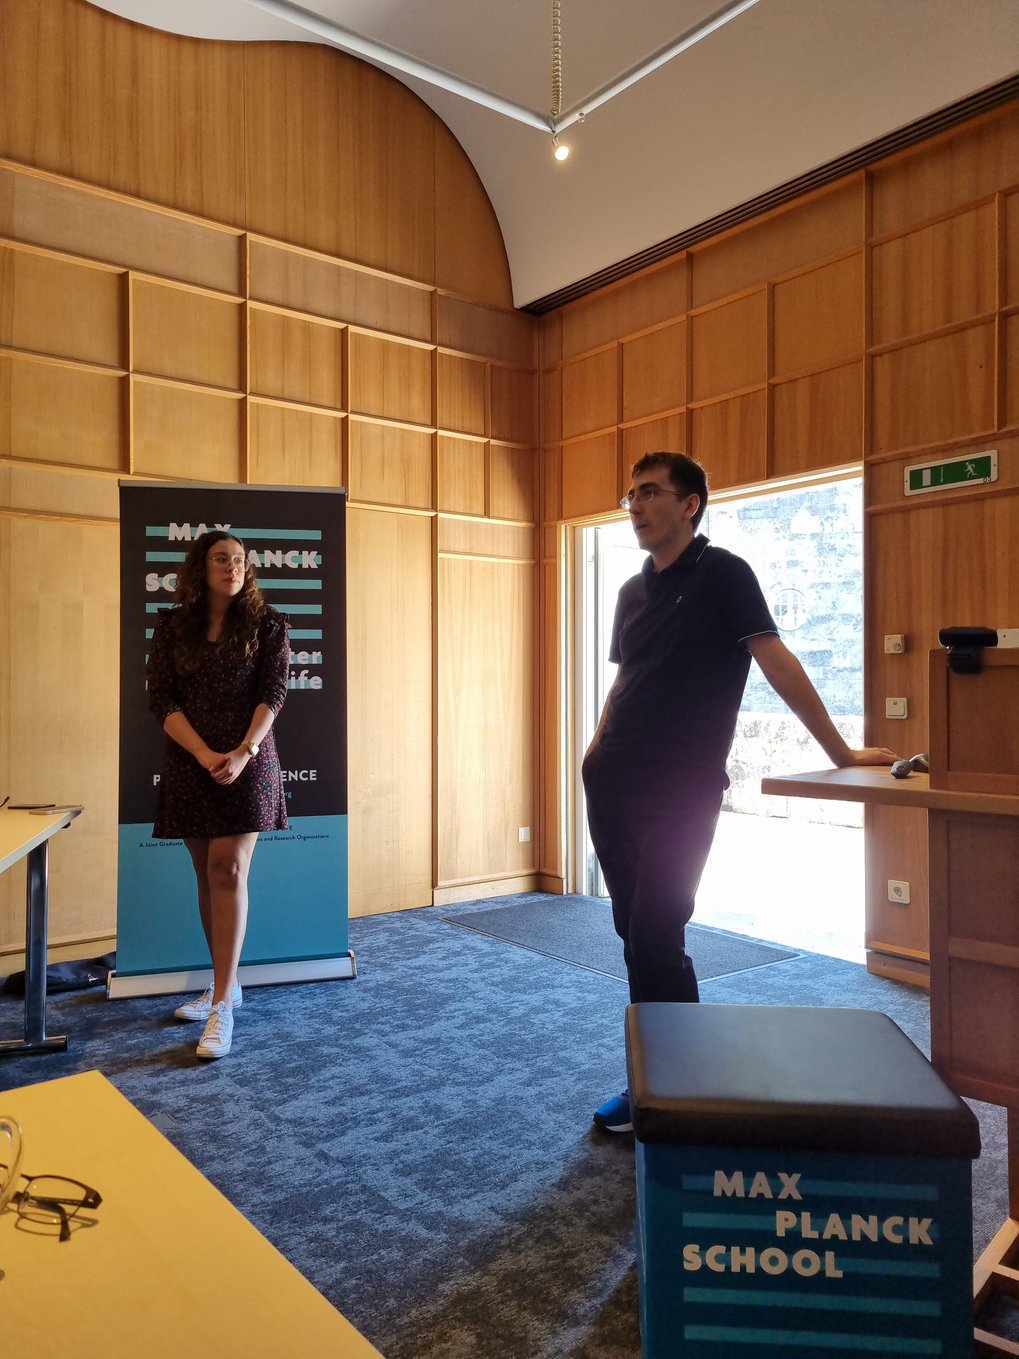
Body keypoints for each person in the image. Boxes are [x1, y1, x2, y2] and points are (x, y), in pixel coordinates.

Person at [582, 452, 898, 1133]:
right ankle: (657, 1078)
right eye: (628, 494)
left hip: (680, 785)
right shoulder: (631, 591)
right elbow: (625, 681)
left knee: (656, 933)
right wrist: (594, 749)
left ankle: (679, 1083)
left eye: (649, 492)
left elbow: (774, 659)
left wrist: (840, 750)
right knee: (632, 934)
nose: (633, 505)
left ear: (690, 503)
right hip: (610, 779)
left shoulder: (723, 573)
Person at [147, 530, 289, 1060]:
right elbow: (160, 699)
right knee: (206, 873)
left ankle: (223, 1004)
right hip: (191, 761)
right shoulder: (171, 626)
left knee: (229, 868)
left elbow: (273, 692)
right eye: (221, 558)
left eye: (239, 559)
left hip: (249, 760)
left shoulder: (268, 624)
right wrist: (205, 754)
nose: (232, 566)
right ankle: (223, 981)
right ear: (200, 567)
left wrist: (242, 752)